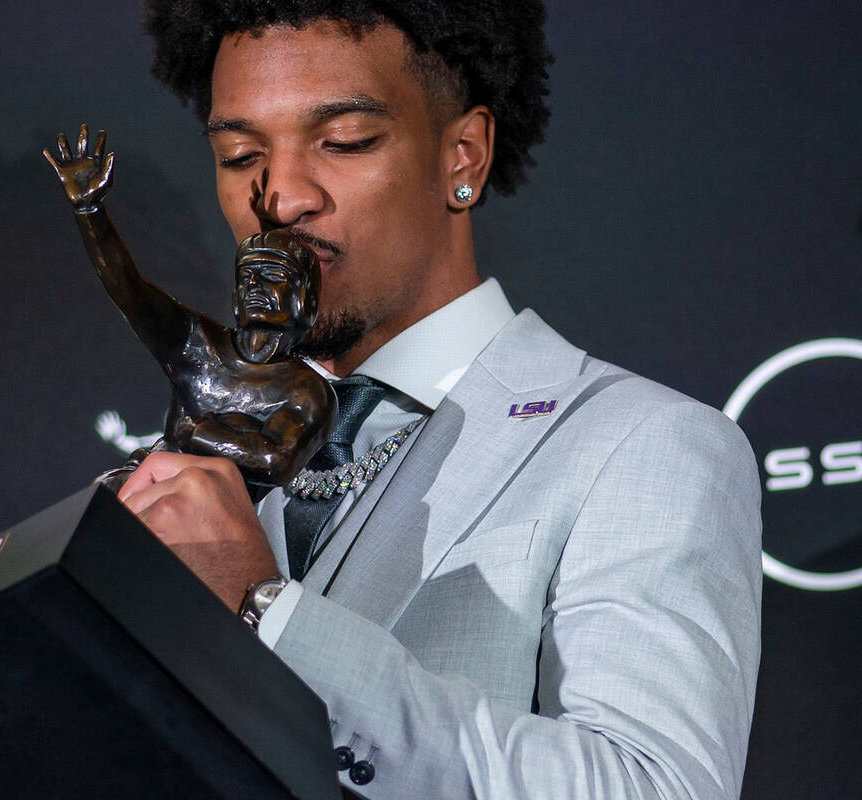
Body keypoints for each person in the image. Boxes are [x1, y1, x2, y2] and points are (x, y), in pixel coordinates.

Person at [113, 2, 763, 798]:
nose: (279, 198)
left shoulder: (643, 447)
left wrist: (267, 609)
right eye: (239, 153)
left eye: (343, 142)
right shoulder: (197, 461)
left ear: (465, 155)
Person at [43, 128, 337, 491]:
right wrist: (90, 212)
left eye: (271, 275)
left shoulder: (306, 391)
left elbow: (274, 460)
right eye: (247, 277)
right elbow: (129, 291)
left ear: (303, 300)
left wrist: (199, 433)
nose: (254, 288)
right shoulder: (196, 343)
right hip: (142, 491)